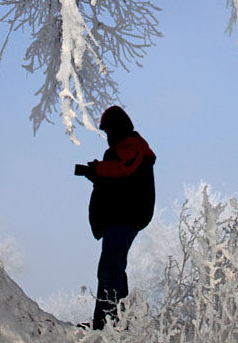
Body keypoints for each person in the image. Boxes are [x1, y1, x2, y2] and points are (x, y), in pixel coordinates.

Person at [75, 105, 156, 330]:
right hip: (118, 218)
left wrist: (99, 170)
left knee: (110, 268)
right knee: (115, 268)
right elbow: (118, 178)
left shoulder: (133, 146)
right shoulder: (122, 150)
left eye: (109, 131)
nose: (108, 136)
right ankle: (120, 319)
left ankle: (105, 323)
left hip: (125, 217)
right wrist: (95, 172)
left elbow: (122, 169)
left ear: (119, 128)